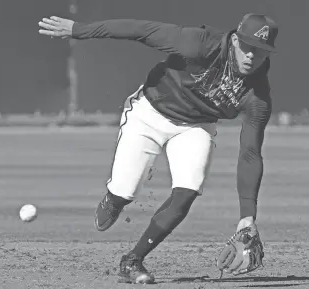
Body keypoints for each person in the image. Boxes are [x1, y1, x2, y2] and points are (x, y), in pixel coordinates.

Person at [38, 13, 278, 284]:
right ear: (234, 40)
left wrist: (247, 217)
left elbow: (250, 153)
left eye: (260, 52)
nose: (251, 56)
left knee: (188, 191)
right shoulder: (200, 43)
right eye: (247, 47)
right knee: (125, 191)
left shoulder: (257, 96)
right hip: (150, 113)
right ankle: (115, 199)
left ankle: (132, 260)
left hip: (196, 126)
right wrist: (80, 30)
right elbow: (141, 29)